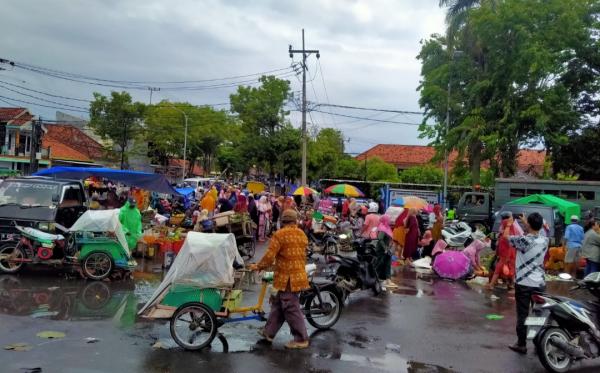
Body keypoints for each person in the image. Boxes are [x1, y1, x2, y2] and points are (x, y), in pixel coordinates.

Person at [247, 209, 310, 349]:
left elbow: (270, 256)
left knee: (290, 308)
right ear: (295, 220)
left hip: (287, 278)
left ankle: (301, 339)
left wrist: (258, 266)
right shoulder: (302, 234)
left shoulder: (280, 234)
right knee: (278, 304)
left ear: (283, 221)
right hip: (298, 275)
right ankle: (269, 332)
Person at [506, 212, 549, 354]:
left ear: (529, 225)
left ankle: (521, 344)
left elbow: (506, 238)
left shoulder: (523, 241)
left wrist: (509, 224)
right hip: (540, 284)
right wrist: (527, 222)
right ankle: (540, 343)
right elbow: (538, 230)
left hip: (524, 283)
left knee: (523, 315)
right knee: (538, 314)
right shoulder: (545, 240)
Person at [488, 212, 523, 290]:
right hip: (510, 253)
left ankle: (492, 284)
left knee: (498, 268)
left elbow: (499, 244)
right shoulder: (511, 228)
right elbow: (517, 239)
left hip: (503, 253)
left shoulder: (503, 228)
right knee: (511, 268)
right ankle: (510, 284)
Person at [375, 215, 397, 289]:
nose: (389, 221)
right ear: (385, 220)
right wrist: (385, 248)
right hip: (381, 250)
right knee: (379, 264)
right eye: (388, 219)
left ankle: (388, 279)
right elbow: (380, 239)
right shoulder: (382, 229)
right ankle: (376, 278)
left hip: (387, 250)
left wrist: (389, 247)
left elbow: (388, 239)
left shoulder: (387, 228)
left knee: (387, 264)